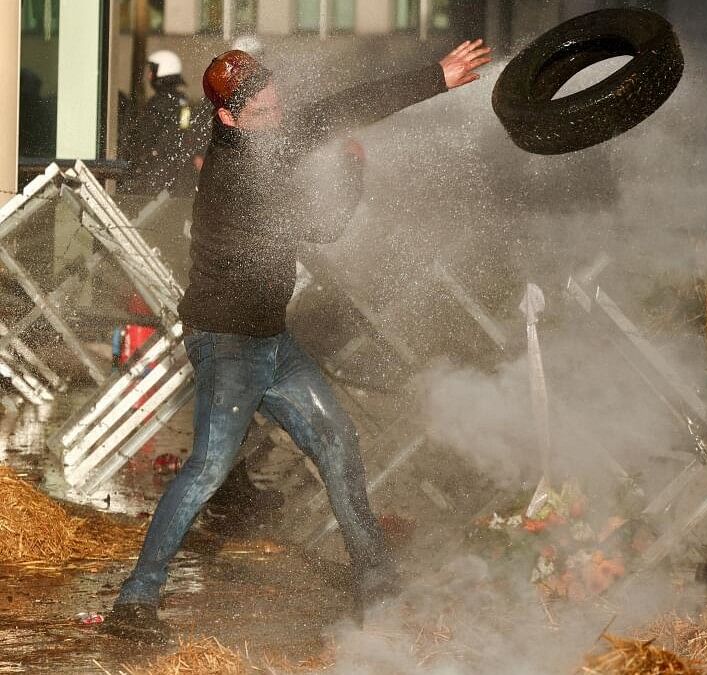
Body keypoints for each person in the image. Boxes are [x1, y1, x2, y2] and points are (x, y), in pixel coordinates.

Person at [100, 39, 492, 645]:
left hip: (270, 340)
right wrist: (355, 171)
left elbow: (343, 107)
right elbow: (323, 226)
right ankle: (137, 599)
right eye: (261, 111)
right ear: (229, 117)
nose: (275, 114)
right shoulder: (240, 175)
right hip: (227, 342)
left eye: (276, 103)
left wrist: (436, 78)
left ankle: (379, 589)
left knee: (337, 438)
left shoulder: (266, 139)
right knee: (206, 468)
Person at [120, 50, 200, 196]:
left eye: (152, 71)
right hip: (176, 175)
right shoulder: (183, 102)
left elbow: (142, 137)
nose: (149, 76)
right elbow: (183, 132)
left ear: (162, 73)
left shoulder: (160, 104)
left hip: (157, 176)